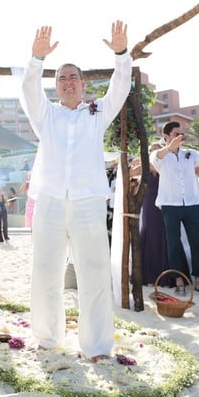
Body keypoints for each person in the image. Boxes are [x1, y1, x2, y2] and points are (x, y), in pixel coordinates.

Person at [21, 21, 131, 362]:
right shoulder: (46, 115)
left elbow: (120, 89)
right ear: (55, 87)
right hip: (51, 200)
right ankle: (48, 338)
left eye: (73, 77)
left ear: (84, 85)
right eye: (62, 78)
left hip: (88, 201)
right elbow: (28, 91)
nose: (68, 82)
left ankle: (96, 346)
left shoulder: (96, 115)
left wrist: (122, 54)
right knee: (45, 269)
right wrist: (36, 60)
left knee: (94, 271)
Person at [150, 121, 199, 295]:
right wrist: (169, 147)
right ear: (166, 136)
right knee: (173, 245)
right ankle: (179, 282)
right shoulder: (159, 155)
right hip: (170, 206)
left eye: (181, 134)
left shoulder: (190, 154)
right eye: (176, 134)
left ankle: (198, 281)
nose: (180, 137)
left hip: (191, 205)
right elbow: (155, 158)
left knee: (197, 243)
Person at [135, 143, 189, 287]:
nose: (154, 153)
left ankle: (171, 276)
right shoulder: (144, 168)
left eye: (156, 150)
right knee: (150, 234)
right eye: (151, 150)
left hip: (165, 204)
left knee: (167, 235)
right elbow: (128, 173)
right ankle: (150, 276)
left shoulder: (167, 167)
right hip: (148, 205)